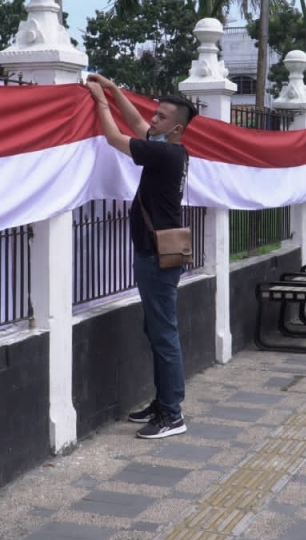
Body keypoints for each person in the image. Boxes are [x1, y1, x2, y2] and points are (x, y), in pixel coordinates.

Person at [85, 74, 197, 439]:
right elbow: (136, 125)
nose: (153, 120)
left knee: (164, 335)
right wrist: (116, 91)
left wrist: (100, 101)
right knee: (158, 330)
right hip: (156, 255)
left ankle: (172, 413)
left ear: (177, 128)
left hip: (156, 258)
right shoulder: (171, 149)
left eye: (162, 118)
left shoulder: (165, 153)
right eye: (156, 114)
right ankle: (163, 401)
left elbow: (117, 138)